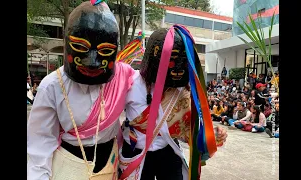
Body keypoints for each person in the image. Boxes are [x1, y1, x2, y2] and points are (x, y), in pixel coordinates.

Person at [27, 1, 136, 180]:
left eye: (105, 50)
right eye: (80, 47)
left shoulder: (125, 77)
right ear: (67, 42)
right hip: (69, 166)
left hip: (109, 164)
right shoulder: (52, 86)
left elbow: (152, 88)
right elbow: (40, 146)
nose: (91, 62)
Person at [118, 26, 227, 180]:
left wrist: (209, 135)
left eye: (183, 62)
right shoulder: (132, 82)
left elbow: (187, 129)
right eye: (171, 59)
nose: (177, 69)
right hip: (136, 150)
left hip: (167, 148)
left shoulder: (184, 90)